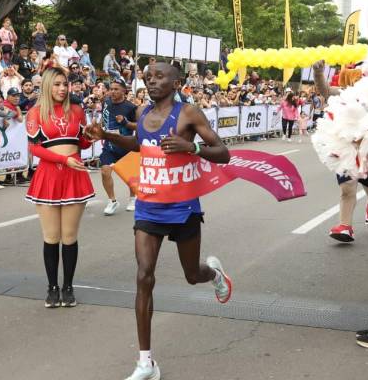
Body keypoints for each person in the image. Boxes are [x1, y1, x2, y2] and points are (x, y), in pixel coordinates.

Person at [85, 62, 232, 380]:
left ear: (176, 81)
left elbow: (223, 153)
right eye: (148, 77)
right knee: (143, 276)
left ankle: (215, 274)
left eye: (159, 77)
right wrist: (107, 134)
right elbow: (140, 145)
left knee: (192, 274)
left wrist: (191, 147)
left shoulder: (189, 113)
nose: (151, 81)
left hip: (183, 208)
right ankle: (146, 362)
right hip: (149, 206)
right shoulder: (143, 113)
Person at [26, 67, 95, 308]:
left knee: (69, 237)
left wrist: (93, 135)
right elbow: (35, 148)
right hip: (49, 177)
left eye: (64, 84)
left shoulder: (77, 110)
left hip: (75, 178)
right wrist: (65, 160)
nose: (62, 89)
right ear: (46, 85)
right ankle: (52, 287)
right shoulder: (35, 112)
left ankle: (68, 286)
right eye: (56, 84)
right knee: (51, 237)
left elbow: (83, 143)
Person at [99, 78, 138, 216]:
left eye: (116, 89)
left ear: (124, 91)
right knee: (105, 171)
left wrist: (126, 122)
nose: (113, 92)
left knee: (130, 176)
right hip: (110, 145)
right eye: (111, 89)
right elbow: (103, 121)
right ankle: (112, 200)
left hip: (126, 145)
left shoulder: (131, 107)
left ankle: (133, 199)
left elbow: (139, 125)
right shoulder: (106, 103)